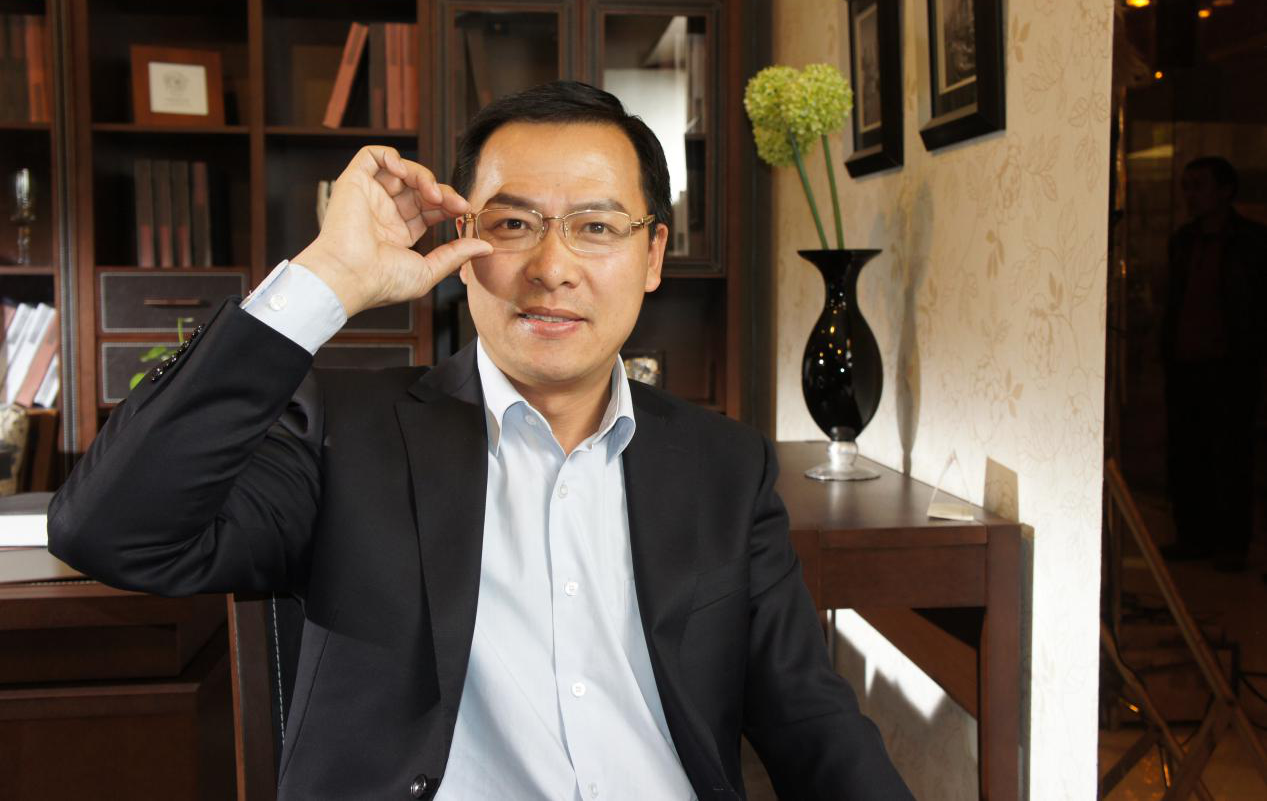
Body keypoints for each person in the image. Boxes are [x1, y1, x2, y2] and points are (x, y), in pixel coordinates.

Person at [47, 82, 912, 800]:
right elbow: (110, 529)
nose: (552, 267)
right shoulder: (343, 434)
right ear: (461, 244)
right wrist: (327, 278)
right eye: (512, 224)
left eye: (596, 226)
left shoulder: (726, 464)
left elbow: (809, 718)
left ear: (652, 255)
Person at [1160, 156, 1267, 572]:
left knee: (1231, 455)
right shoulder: (1183, 241)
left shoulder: (1251, 243)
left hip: (1231, 365)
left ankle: (1231, 544)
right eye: (1186, 186)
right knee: (1188, 454)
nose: (1190, 195)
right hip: (1187, 363)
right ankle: (1194, 537)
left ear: (1225, 191)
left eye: (1199, 185)